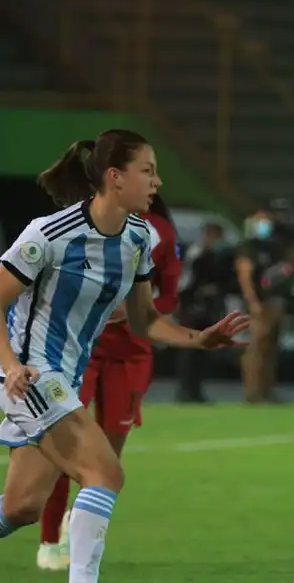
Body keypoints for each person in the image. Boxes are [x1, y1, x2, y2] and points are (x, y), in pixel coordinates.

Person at [0, 129, 249, 583]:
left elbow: (144, 320)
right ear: (115, 177)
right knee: (105, 473)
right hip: (31, 373)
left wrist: (200, 339)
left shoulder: (137, 238)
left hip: (64, 379)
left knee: (21, 508)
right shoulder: (50, 234)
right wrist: (11, 365)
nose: (156, 182)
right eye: (148, 171)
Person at [35, 194, 182, 571]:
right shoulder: (77, 229)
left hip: (132, 354)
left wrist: (138, 311)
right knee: (67, 448)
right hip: (82, 350)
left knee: (107, 459)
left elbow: (168, 296)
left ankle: (77, 521)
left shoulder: (159, 233)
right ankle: (50, 538)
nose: (154, 182)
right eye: (147, 171)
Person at [175, 221, 230, 403]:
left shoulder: (214, 255)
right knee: (191, 351)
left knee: (202, 350)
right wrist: (194, 294)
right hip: (192, 306)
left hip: (206, 307)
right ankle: (185, 390)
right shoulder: (195, 254)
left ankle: (195, 389)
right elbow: (185, 281)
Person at [234, 210, 286, 404]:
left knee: (270, 348)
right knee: (256, 348)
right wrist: (253, 301)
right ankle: (252, 391)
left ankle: (267, 389)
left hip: (273, 301)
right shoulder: (248, 247)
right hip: (259, 304)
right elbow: (244, 276)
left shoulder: (272, 247)